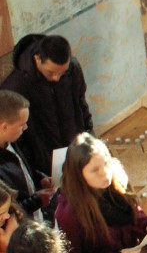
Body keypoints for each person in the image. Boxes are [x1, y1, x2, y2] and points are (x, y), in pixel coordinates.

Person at [55, 133, 147, 253]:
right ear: (79, 175)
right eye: (95, 170)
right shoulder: (69, 213)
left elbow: (132, 210)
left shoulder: (116, 176)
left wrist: (146, 225)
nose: (105, 173)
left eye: (106, 163)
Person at [1, 34, 93, 173]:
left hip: (76, 147)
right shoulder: (15, 87)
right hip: (45, 160)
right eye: (51, 72)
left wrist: (89, 132)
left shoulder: (72, 68)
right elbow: (18, 139)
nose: (57, 78)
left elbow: (81, 102)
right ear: (37, 59)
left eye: (63, 72)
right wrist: (35, 170)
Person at [0, 90, 55, 221]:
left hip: (39, 217)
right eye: (21, 124)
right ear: (4, 127)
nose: (25, 127)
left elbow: (24, 168)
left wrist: (39, 178)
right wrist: (36, 201)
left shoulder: (13, 140)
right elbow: (9, 212)